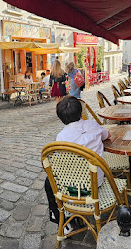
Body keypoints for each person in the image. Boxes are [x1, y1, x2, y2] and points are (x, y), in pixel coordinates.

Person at [44, 96, 110, 229]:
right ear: (81, 113)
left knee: (49, 181)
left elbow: (60, 161)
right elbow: (107, 135)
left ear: (61, 119)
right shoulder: (92, 125)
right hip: (96, 182)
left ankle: (60, 218)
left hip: (75, 186)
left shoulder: (62, 137)